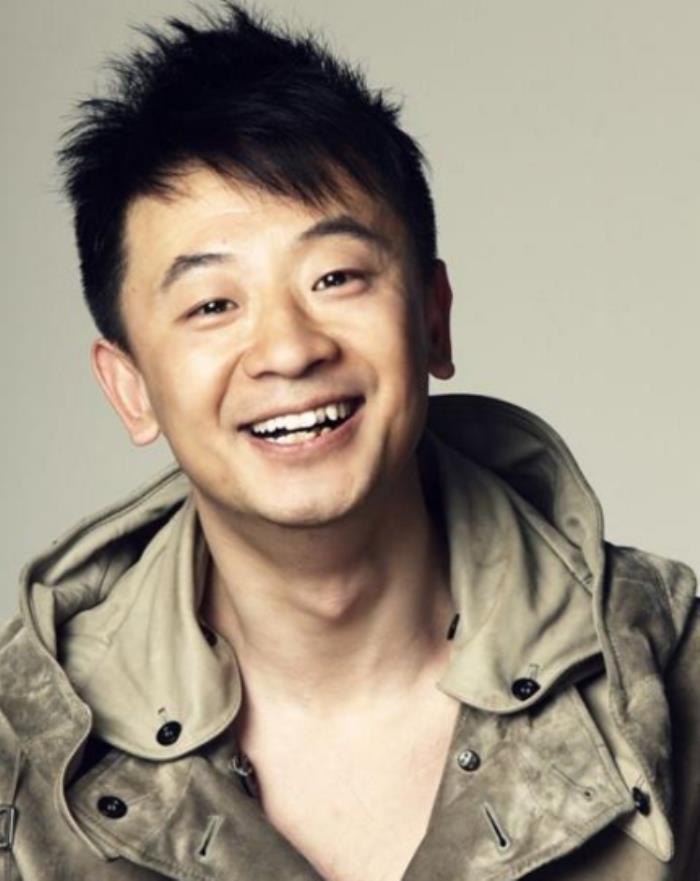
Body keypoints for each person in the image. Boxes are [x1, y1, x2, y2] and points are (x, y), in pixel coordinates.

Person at [0, 3, 697, 879]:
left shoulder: (668, 672)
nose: (289, 349)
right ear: (131, 386)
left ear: (433, 320)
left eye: (335, 277)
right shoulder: (28, 758)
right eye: (213, 304)